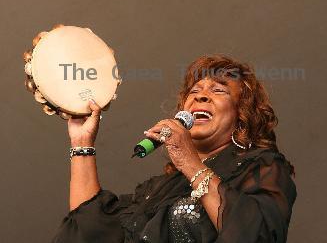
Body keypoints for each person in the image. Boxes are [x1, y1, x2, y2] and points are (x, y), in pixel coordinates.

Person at [51, 54, 297, 243]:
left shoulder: (261, 166)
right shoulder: (156, 190)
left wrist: (189, 162)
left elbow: (257, 234)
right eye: (195, 91)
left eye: (219, 89)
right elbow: (89, 227)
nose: (201, 96)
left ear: (241, 115)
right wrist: (82, 143)